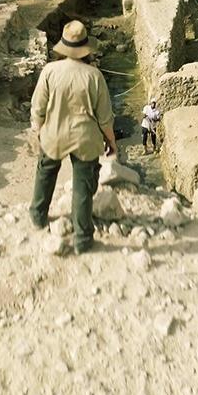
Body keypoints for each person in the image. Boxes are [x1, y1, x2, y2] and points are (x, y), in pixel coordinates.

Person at [29, 20, 118, 255]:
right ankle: (83, 238)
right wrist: (111, 141)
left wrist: (38, 129)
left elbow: (38, 107)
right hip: (85, 138)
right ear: (86, 49)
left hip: (53, 135)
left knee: (45, 173)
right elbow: (105, 118)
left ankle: (38, 216)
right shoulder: (94, 76)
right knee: (82, 186)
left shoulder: (50, 71)